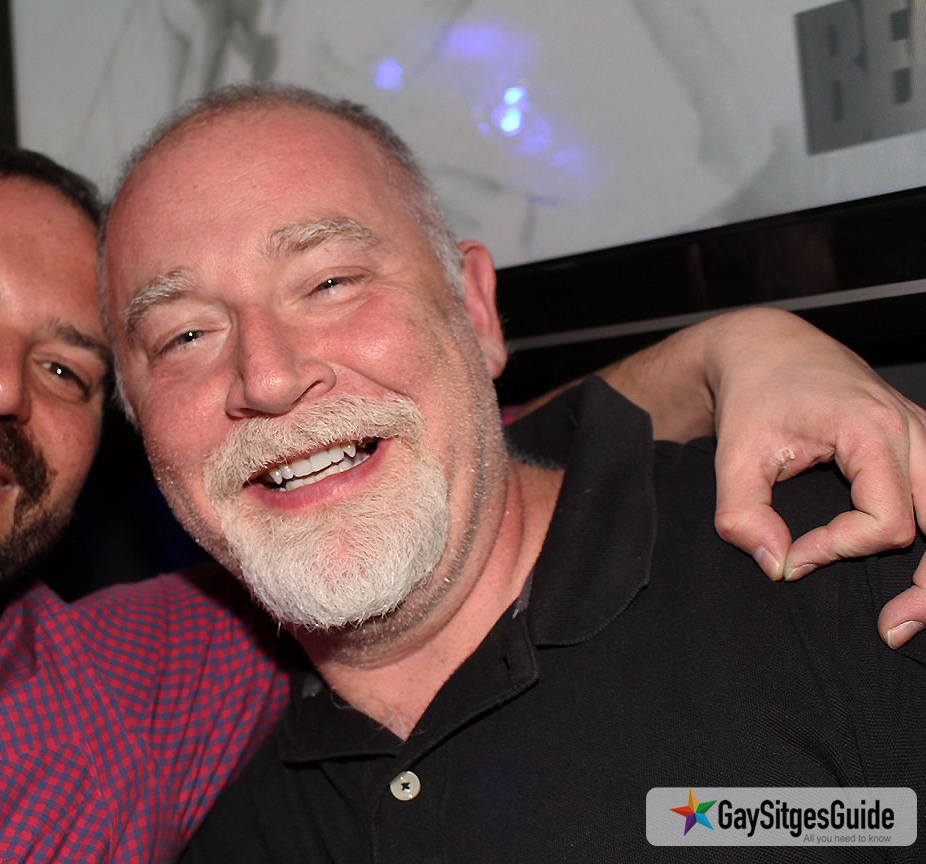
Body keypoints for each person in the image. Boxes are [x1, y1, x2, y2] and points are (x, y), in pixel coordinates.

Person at [0, 140, 923, 863]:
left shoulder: (131, 688)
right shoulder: (194, 695)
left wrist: (737, 346)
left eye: (69, 368)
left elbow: (390, 457)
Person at [94, 83, 926, 860]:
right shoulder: (227, 826)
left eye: (331, 282)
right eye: (184, 337)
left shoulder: (847, 569)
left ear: (477, 309)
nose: (269, 377)